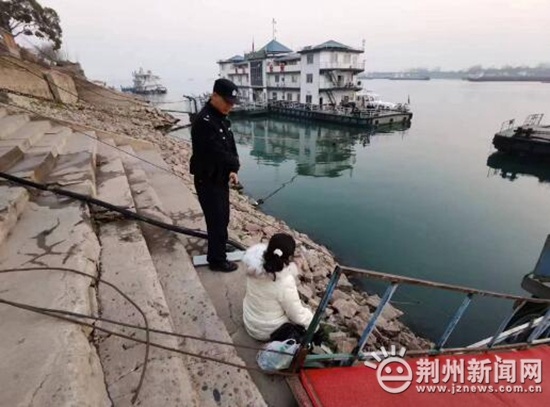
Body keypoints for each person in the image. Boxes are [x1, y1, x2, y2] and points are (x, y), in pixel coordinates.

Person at [190, 78, 240, 272]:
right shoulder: (204, 121)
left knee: (223, 217)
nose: (230, 106)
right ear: (214, 96)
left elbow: (230, 144)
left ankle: (220, 245)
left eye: (232, 103)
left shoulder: (221, 117)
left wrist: (233, 169)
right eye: (226, 101)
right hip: (207, 178)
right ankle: (217, 260)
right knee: (216, 219)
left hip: (220, 177)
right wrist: (233, 164)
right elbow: (216, 151)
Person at [242, 233, 315, 342]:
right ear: (290, 257)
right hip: (266, 331)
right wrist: (314, 324)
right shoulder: (284, 281)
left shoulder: (253, 266)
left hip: (249, 320)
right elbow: (297, 315)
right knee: (300, 324)